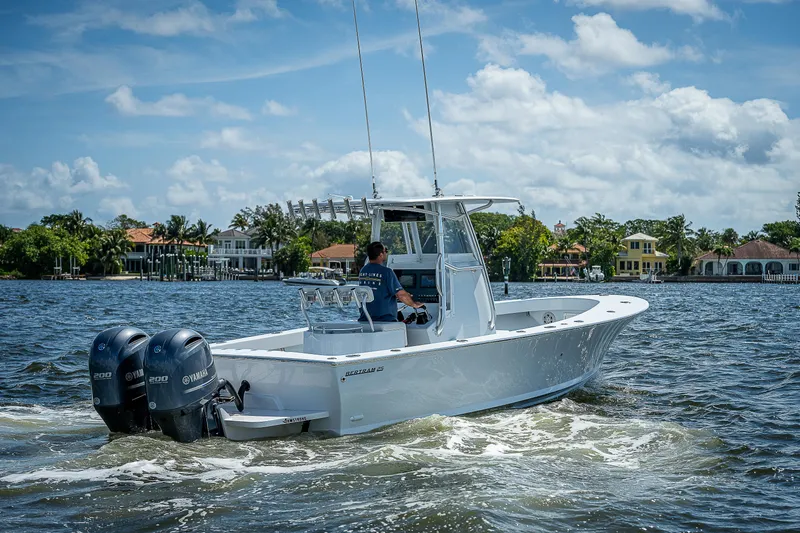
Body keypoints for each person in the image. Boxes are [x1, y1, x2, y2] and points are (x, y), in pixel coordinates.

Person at [358, 241, 424, 322]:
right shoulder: (386, 272)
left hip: (366, 319)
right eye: (386, 251)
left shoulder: (363, 271)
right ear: (381, 254)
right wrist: (414, 304)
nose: (386, 253)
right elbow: (401, 295)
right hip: (384, 320)